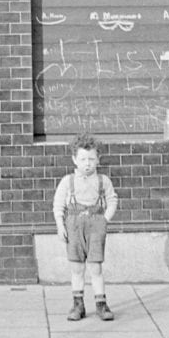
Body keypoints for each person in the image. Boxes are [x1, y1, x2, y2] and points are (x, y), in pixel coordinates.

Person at [52, 134, 118, 321]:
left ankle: (101, 305)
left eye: (91, 159)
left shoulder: (103, 181)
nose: (87, 163)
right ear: (74, 159)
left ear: (98, 159)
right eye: (82, 159)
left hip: (96, 226)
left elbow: (112, 200)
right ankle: (78, 305)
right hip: (73, 226)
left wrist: (105, 219)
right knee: (77, 268)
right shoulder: (68, 181)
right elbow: (58, 205)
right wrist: (60, 225)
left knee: (96, 268)